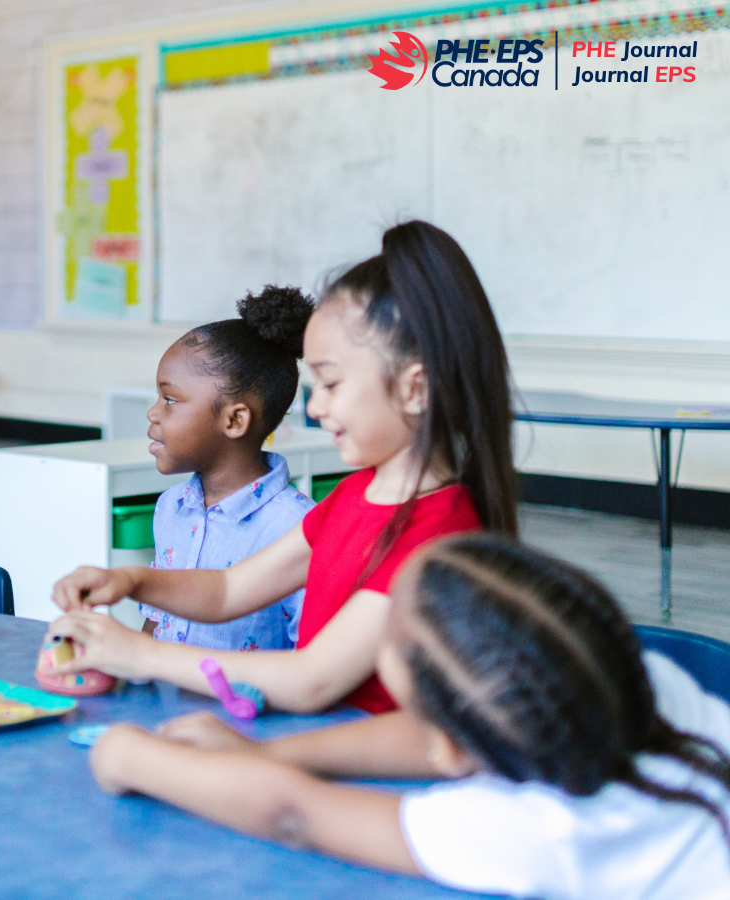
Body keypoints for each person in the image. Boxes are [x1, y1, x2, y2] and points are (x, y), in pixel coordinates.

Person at [87, 535, 730, 900]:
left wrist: (127, 754)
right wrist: (266, 753)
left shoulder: (532, 830)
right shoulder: (636, 681)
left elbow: (295, 815)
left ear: (449, 752)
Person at [48, 220, 516, 714]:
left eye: (331, 385)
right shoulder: (354, 497)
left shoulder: (437, 534)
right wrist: (130, 581)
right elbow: (229, 590)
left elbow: (310, 680)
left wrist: (143, 656)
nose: (314, 409)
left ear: (415, 388)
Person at [136, 285, 316, 652]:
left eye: (170, 399)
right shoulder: (172, 507)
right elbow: (156, 622)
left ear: (234, 420)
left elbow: (311, 659)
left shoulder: (298, 529)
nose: (153, 413)